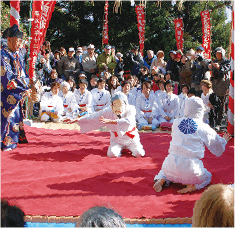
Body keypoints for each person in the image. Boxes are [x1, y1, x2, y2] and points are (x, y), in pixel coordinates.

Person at [153, 96, 232, 194]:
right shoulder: (202, 127)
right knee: (207, 176)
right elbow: (217, 146)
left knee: (165, 168)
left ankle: (162, 179)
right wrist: (223, 141)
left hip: (170, 166)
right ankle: (193, 186)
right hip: (191, 171)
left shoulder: (176, 122)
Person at [77, 91, 145, 158]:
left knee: (139, 153)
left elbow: (128, 121)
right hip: (117, 140)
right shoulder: (109, 111)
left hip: (131, 139)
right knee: (112, 154)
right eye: (115, 104)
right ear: (112, 105)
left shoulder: (131, 109)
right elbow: (94, 116)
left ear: (125, 104)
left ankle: (133, 147)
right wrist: (77, 120)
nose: (118, 107)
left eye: (120, 104)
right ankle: (119, 148)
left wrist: (111, 121)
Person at [1, 24, 29, 151]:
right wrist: (23, 87)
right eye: (17, 41)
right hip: (4, 91)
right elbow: (7, 76)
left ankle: (14, 140)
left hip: (17, 88)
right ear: (9, 40)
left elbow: (23, 72)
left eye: (20, 41)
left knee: (16, 115)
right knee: (7, 116)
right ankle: (5, 142)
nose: (19, 44)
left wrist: (27, 84)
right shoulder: (3, 55)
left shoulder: (18, 55)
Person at [209, 47, 231, 126]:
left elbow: (227, 68)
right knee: (213, 102)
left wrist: (219, 67)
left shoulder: (227, 61)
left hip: (222, 84)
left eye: (220, 53)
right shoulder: (214, 61)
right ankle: (213, 121)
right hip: (214, 84)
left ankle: (219, 121)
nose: (218, 55)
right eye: (217, 54)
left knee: (221, 103)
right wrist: (211, 67)